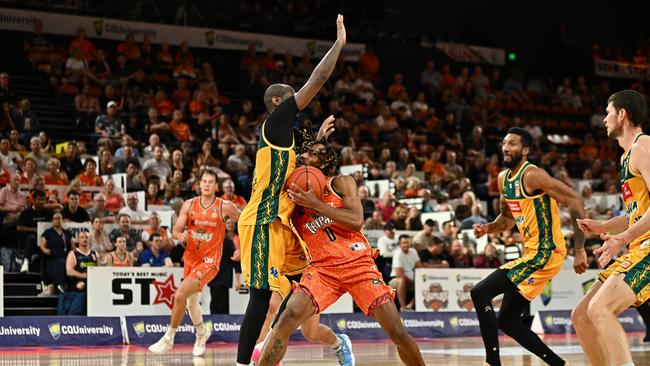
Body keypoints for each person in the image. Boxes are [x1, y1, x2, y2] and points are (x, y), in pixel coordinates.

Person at [237, 14, 348, 366]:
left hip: (281, 224)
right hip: (261, 220)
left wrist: (316, 142)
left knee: (305, 282)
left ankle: (272, 342)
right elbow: (318, 79)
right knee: (259, 296)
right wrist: (338, 46)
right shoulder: (275, 121)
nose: (299, 103)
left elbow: (296, 170)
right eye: (291, 98)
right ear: (277, 103)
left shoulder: (283, 141)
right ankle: (243, 363)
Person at [257, 134, 425, 366]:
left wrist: (316, 205)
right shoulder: (293, 193)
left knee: (397, 331)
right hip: (322, 270)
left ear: (324, 161)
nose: (303, 156)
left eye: (311, 152)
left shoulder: (341, 183)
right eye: (303, 153)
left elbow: (356, 220)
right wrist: (315, 140)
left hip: (358, 265)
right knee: (286, 319)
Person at [471, 127, 587, 366]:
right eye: (504, 143)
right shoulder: (503, 179)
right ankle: (558, 364)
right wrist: (487, 228)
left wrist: (580, 249)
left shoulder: (532, 175)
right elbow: (507, 220)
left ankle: (492, 363)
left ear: (525, 150)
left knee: (480, 292)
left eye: (512, 144)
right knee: (508, 321)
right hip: (532, 253)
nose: (505, 147)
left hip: (547, 253)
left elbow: (575, 200)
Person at [573, 90, 650, 366]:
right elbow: (636, 213)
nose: (604, 120)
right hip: (638, 247)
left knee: (601, 309)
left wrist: (623, 238)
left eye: (608, 113)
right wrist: (603, 226)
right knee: (581, 315)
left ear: (622, 114)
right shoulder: (625, 157)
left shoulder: (644, 147)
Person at [149, 169, 240, 356]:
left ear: (216, 186)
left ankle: (169, 338)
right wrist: (179, 235)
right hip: (190, 258)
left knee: (180, 294)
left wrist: (242, 248)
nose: (206, 184)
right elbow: (176, 231)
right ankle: (201, 332)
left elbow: (247, 222)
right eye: (204, 181)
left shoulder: (225, 206)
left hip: (209, 262)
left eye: (210, 181)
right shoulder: (189, 204)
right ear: (199, 185)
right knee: (191, 303)